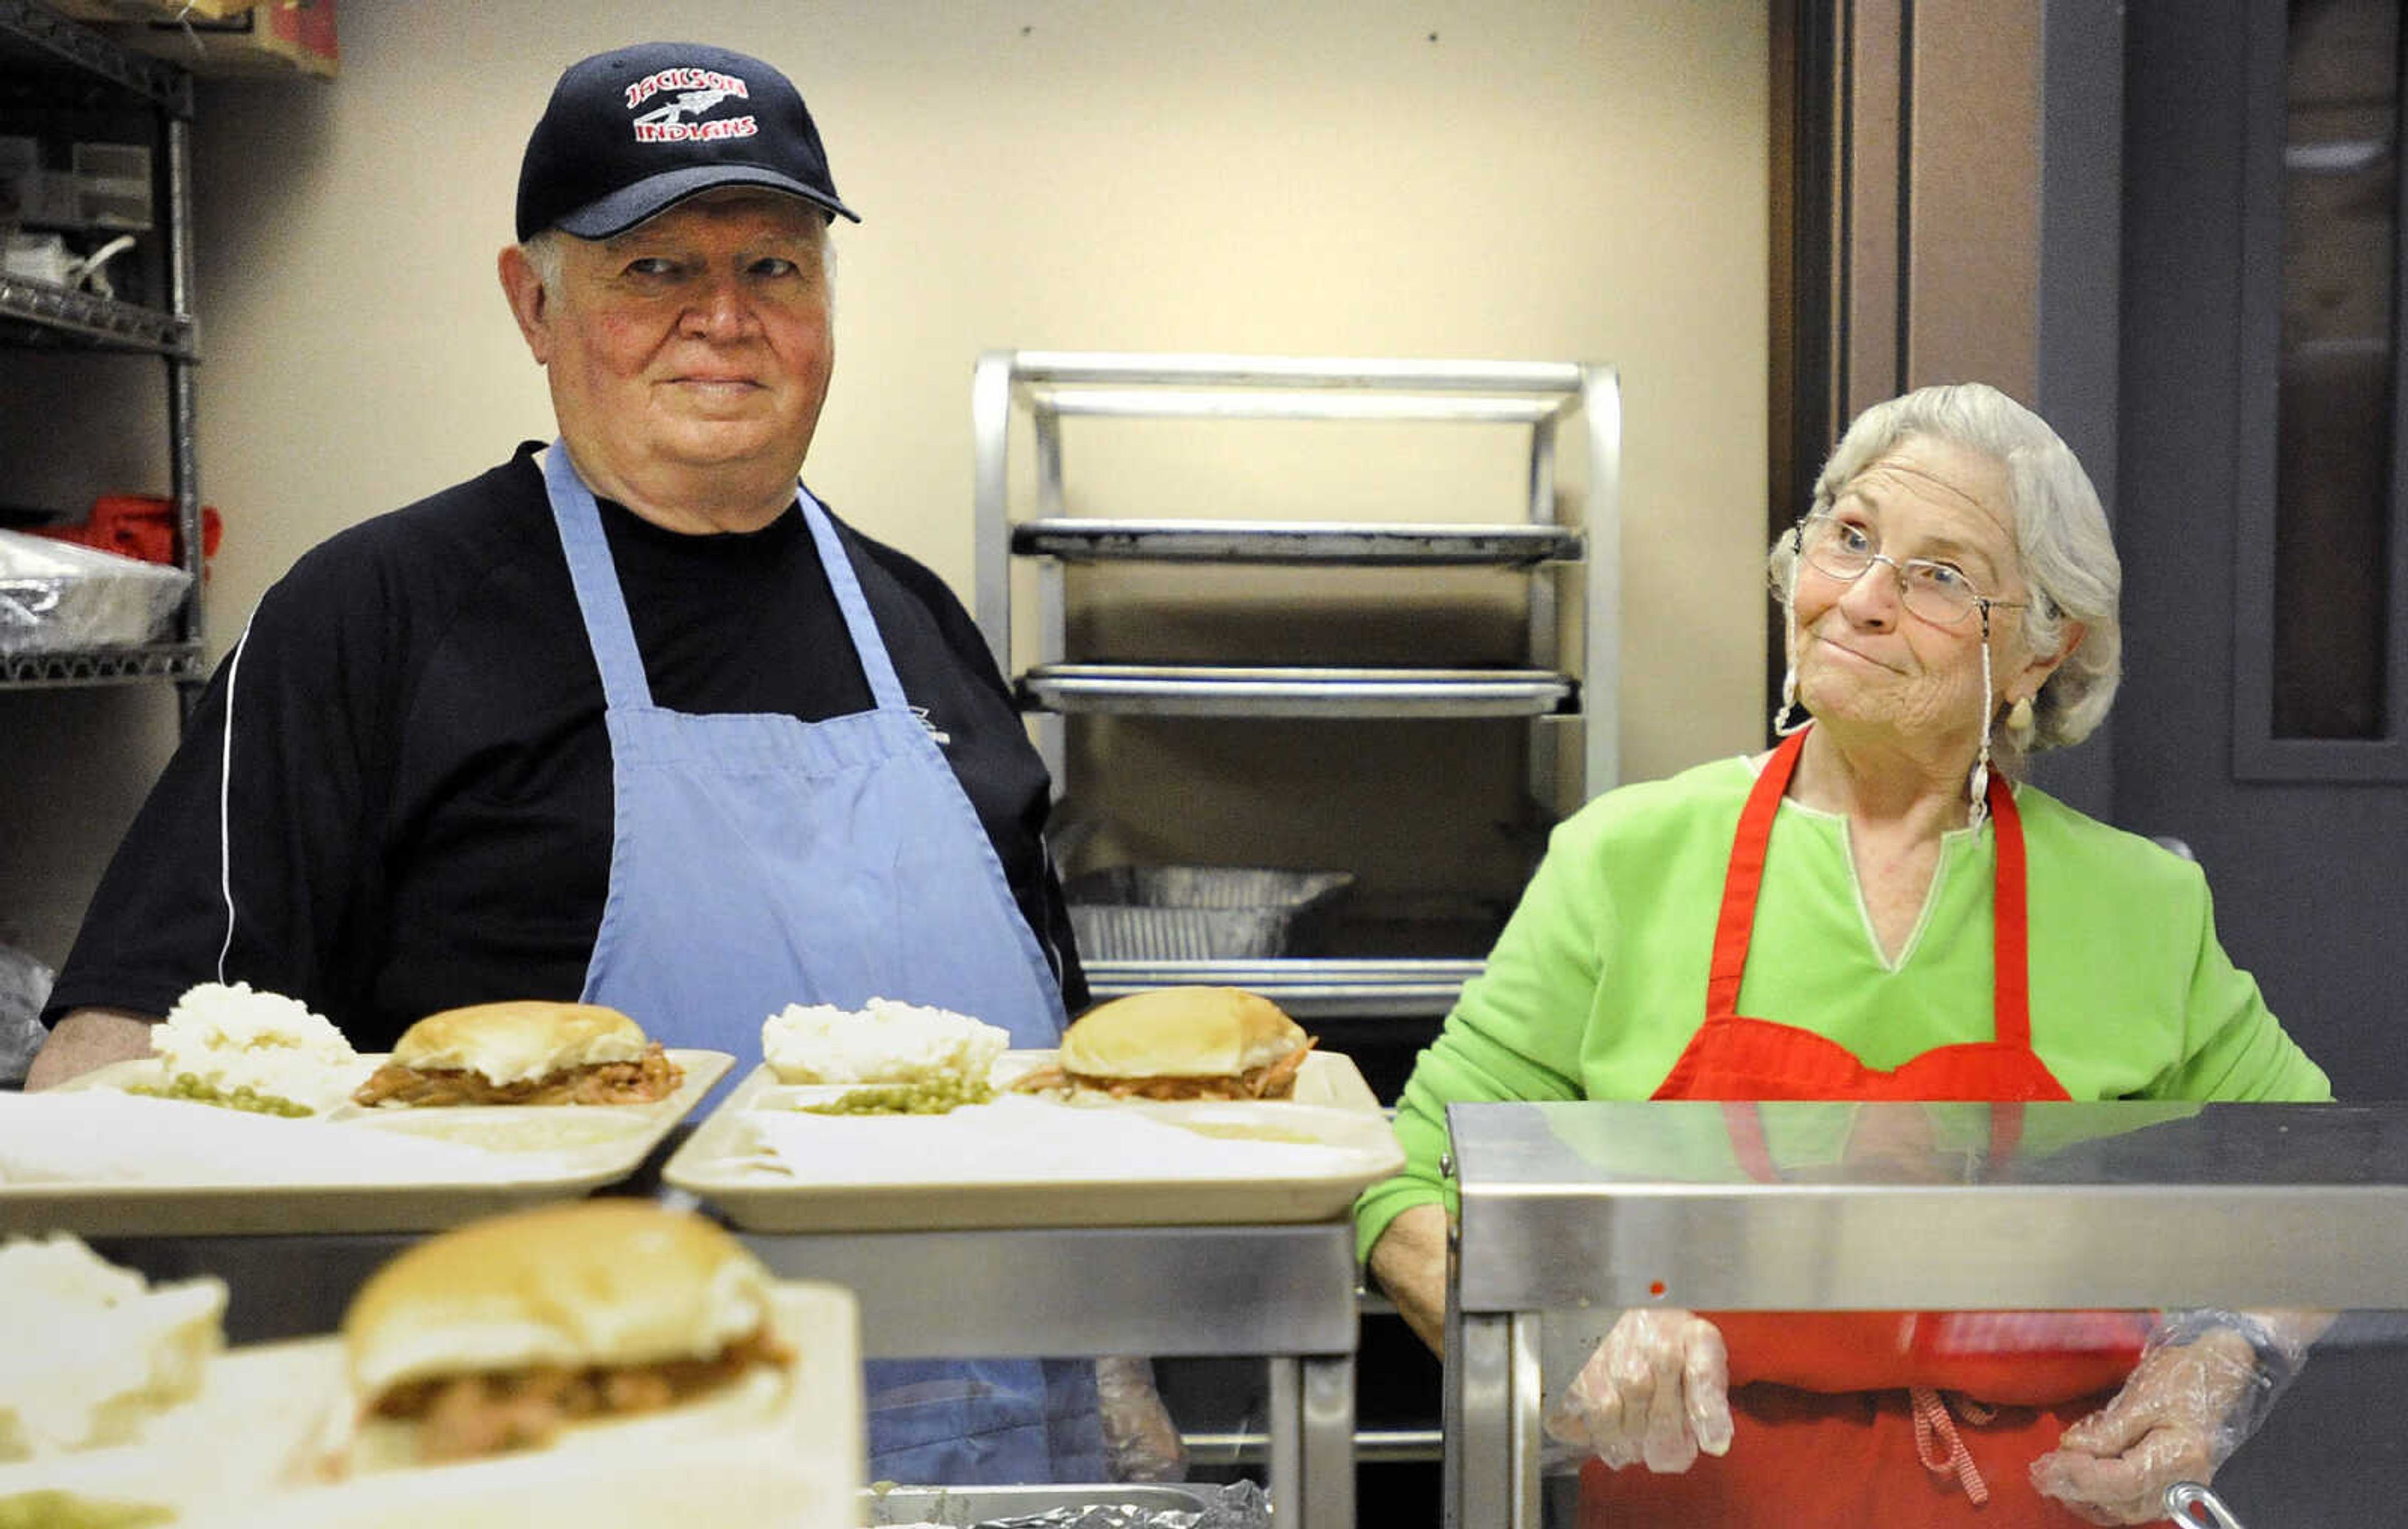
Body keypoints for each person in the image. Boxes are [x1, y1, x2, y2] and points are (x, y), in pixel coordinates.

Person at [29, 40, 1114, 1487]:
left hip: (998, 1467)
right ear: (532, 304)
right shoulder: (372, 619)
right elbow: (112, 1063)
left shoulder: (918, 620)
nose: (724, 320)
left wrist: (1120, 1379)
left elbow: (1067, 1063)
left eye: (775, 269)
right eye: (655, 268)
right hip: (557, 1464)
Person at [1354, 383, 2333, 1527]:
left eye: (1941, 574)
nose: (1863, 599)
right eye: (1852, 538)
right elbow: (1410, 1176)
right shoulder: (1628, 859)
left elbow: (2316, 1187)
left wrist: (2220, 1359)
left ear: (2038, 649)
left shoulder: (2141, 906)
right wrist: (1572, 1331)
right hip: (1700, 1497)